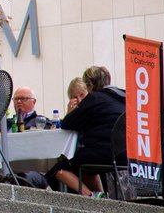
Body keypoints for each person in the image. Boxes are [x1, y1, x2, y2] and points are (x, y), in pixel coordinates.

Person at [49, 66, 125, 196]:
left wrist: (69, 112)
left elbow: (68, 124)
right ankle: (102, 196)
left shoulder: (94, 98)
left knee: (58, 169)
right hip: (126, 155)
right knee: (84, 165)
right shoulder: (122, 97)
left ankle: (91, 196)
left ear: (89, 85)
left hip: (105, 155)